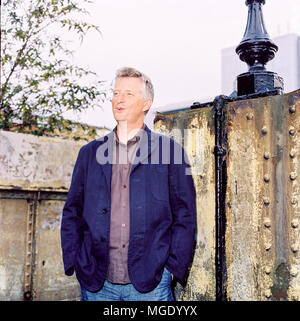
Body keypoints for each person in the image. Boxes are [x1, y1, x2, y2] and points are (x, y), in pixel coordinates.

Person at [60, 67, 196, 301]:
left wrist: (172, 269)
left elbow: (185, 216)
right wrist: (74, 259)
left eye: (129, 94)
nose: (119, 99)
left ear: (146, 103)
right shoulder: (89, 154)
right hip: (96, 283)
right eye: (115, 93)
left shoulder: (171, 152)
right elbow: (72, 211)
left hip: (151, 283)